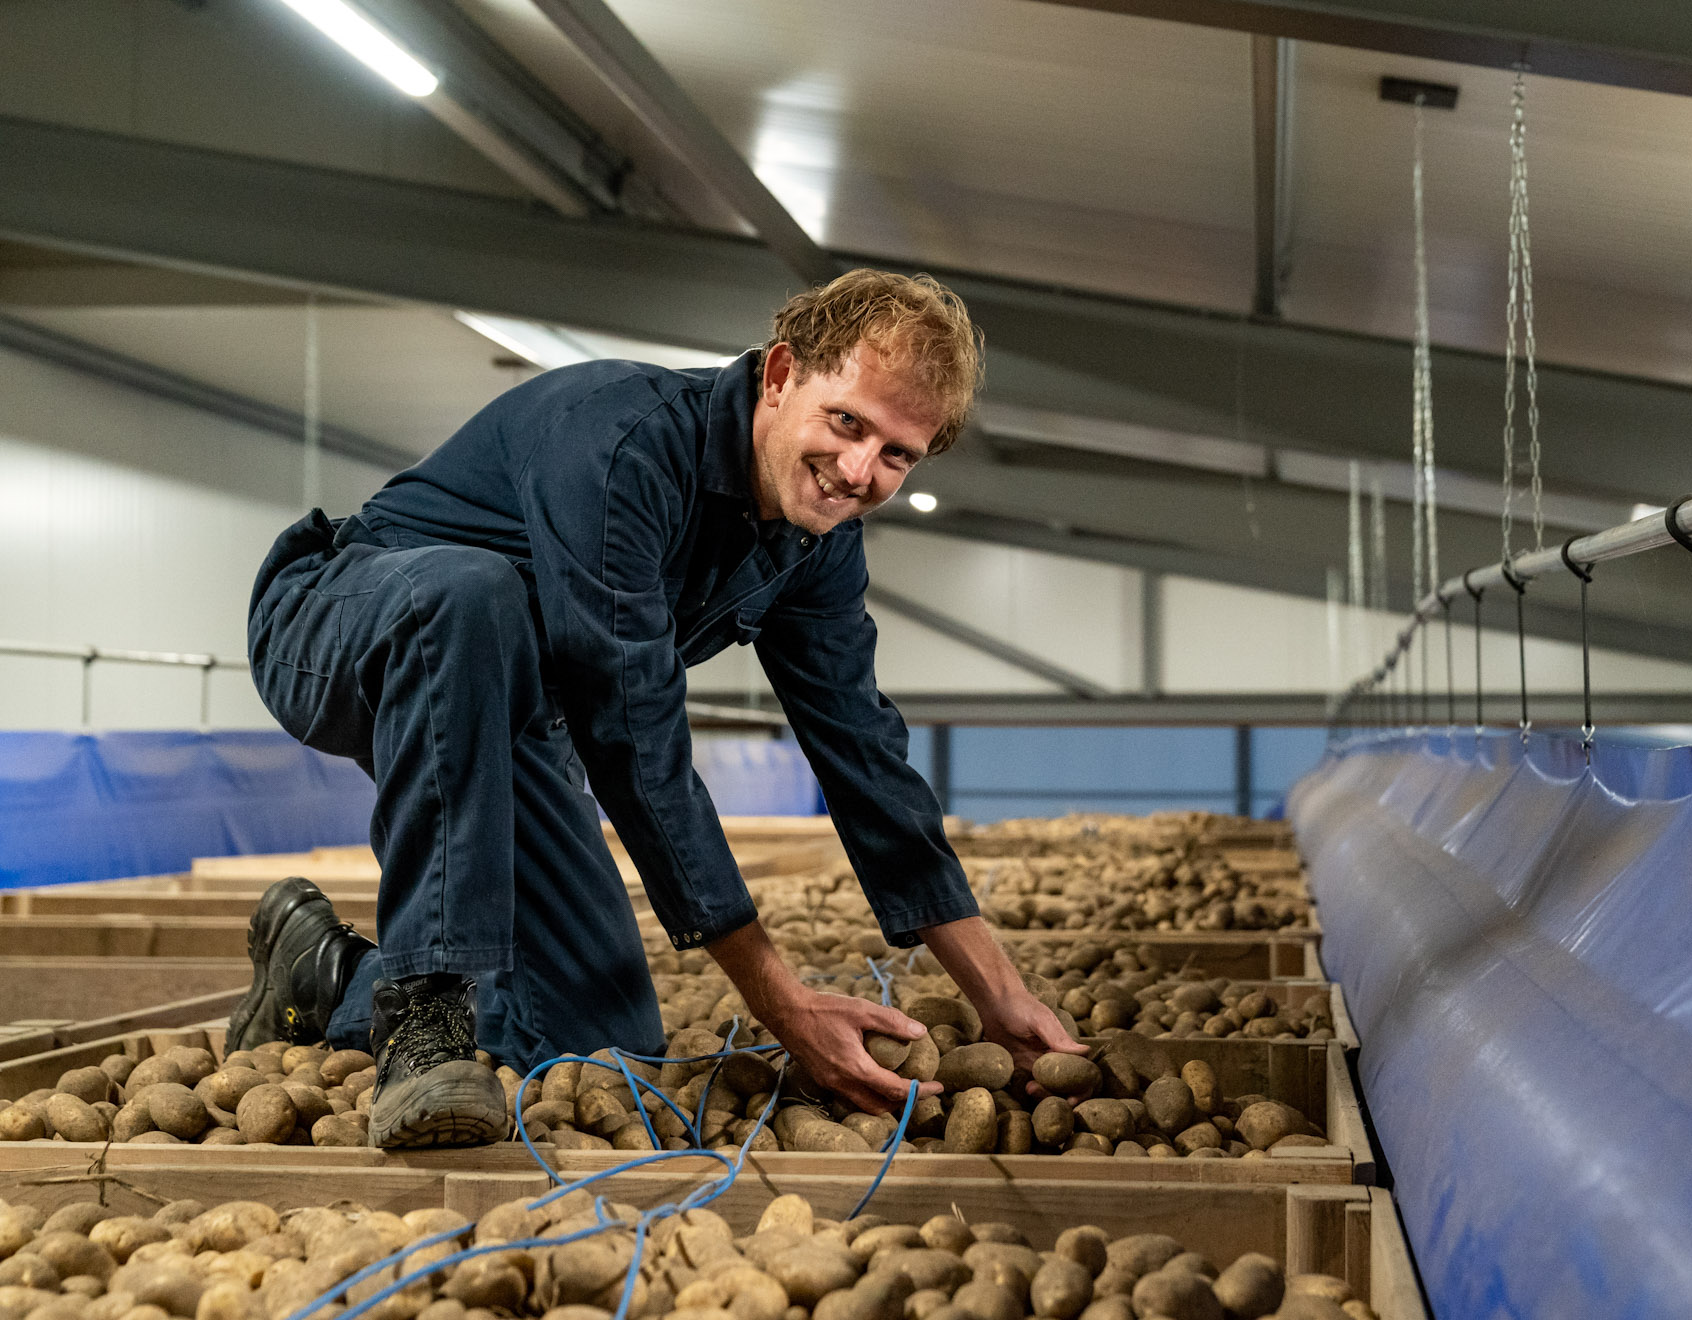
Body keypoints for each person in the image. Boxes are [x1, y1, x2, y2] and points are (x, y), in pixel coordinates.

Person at [229, 269, 1081, 1147]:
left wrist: (1000, 995)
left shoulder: (814, 546)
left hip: (506, 714)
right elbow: (635, 736)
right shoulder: (625, 444)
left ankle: (329, 978)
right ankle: (424, 1015)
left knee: (602, 1041)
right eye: (848, 422)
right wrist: (779, 999)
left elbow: (865, 756)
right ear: (783, 375)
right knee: (469, 592)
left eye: (897, 454)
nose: (860, 470)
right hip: (341, 623)